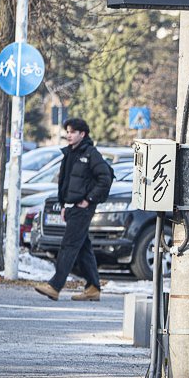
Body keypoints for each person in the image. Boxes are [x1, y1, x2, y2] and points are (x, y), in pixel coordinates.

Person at [35, 118, 114, 302]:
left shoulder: (91, 154)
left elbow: (105, 179)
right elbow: (66, 183)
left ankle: (55, 286)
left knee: (68, 246)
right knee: (83, 248)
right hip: (71, 208)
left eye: (72, 132)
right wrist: (63, 205)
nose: (68, 135)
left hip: (83, 209)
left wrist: (89, 200)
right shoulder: (70, 153)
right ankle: (93, 287)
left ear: (82, 134)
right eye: (67, 132)